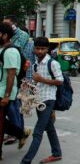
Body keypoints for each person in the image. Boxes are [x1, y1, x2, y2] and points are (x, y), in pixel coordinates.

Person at [20, 37, 63, 164]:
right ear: (34, 49)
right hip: (39, 99)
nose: (39, 51)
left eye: (42, 49)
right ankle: (57, 153)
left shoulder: (53, 63)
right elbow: (36, 82)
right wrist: (28, 84)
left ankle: (26, 161)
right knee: (49, 128)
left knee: (38, 132)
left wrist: (41, 80)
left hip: (48, 99)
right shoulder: (35, 64)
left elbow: (60, 81)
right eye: (37, 48)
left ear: (47, 49)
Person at [0, 22, 31, 161]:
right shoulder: (2, 49)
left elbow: (11, 74)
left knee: (1, 123)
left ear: (5, 35)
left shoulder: (10, 51)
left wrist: (6, 96)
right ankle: (21, 133)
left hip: (4, 94)